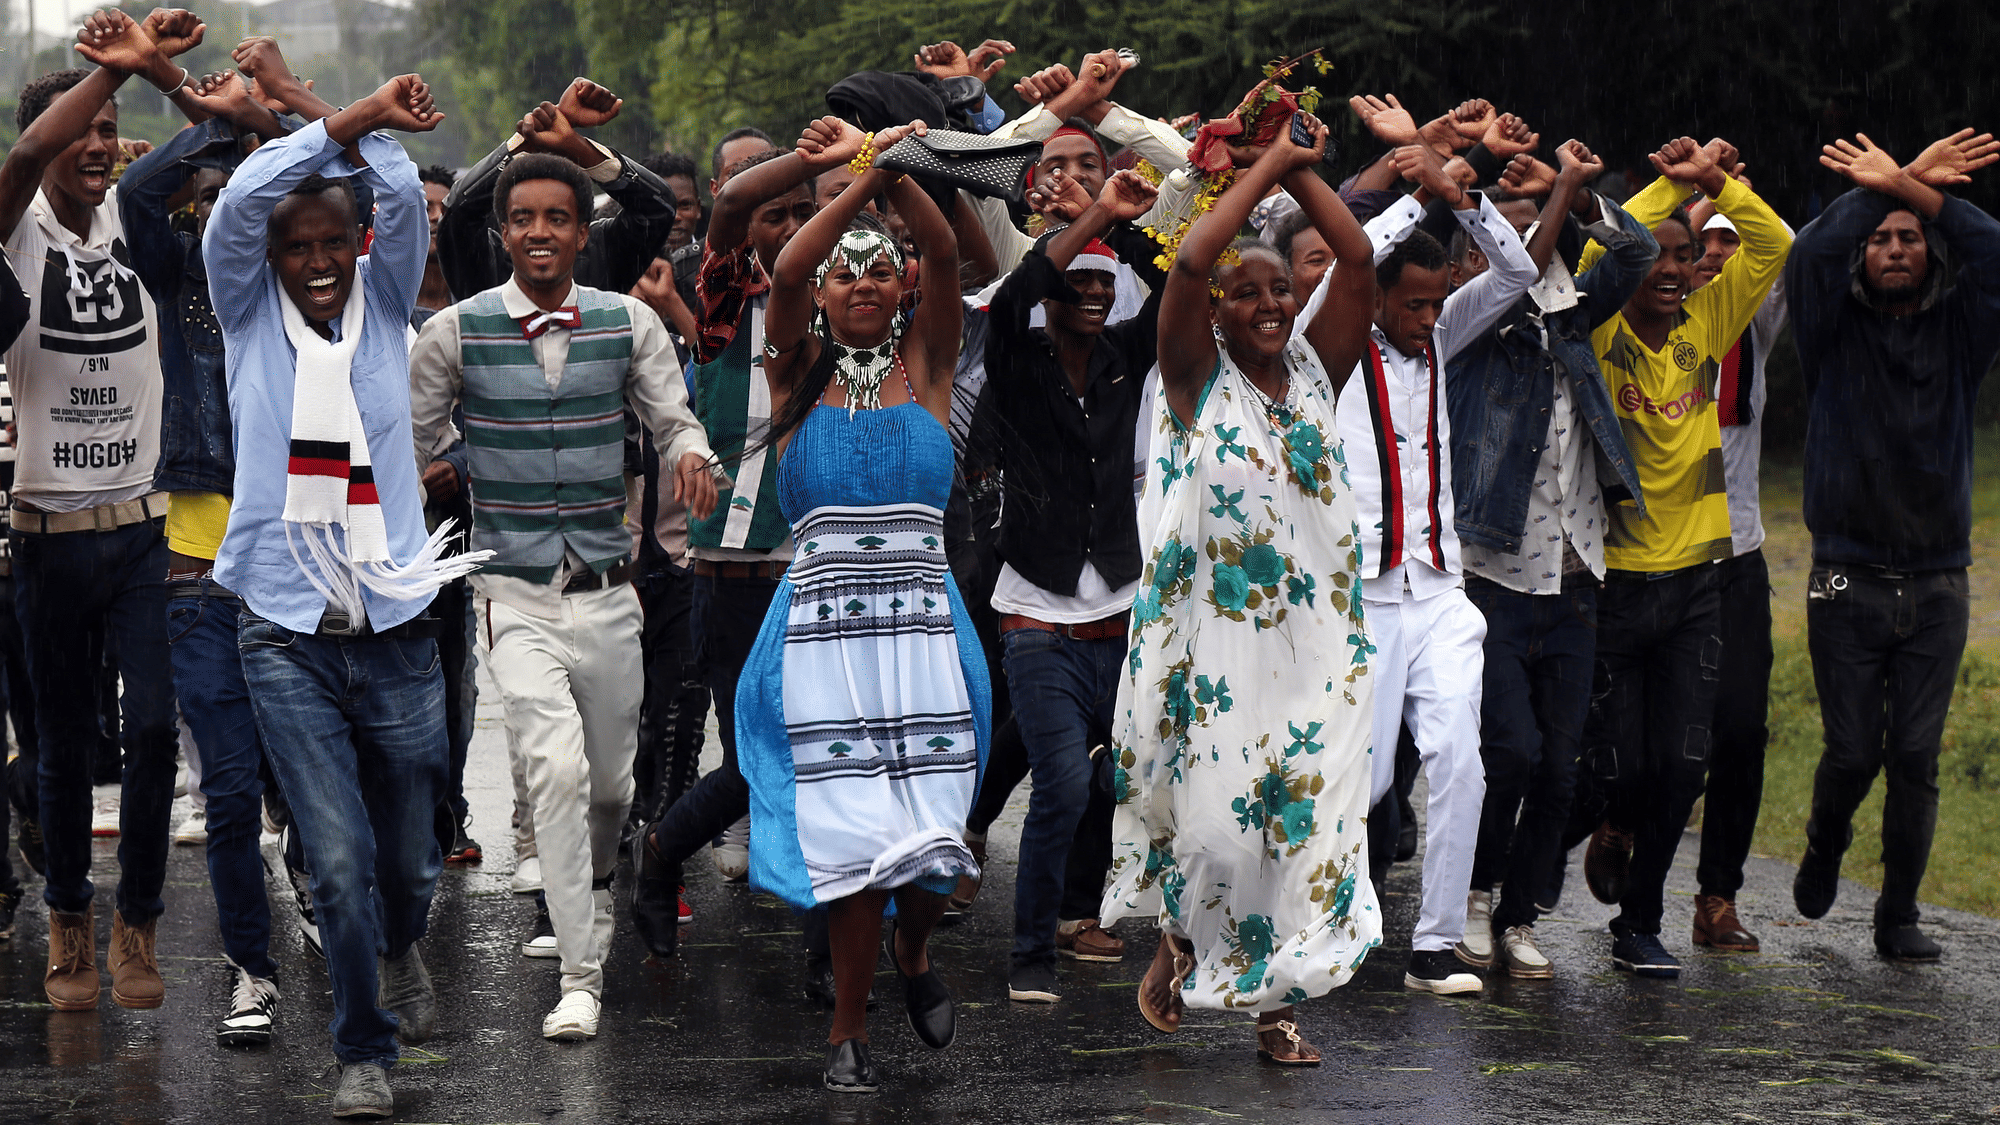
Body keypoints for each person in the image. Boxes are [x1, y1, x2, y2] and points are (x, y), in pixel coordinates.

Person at [205, 70, 476, 1117]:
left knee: (411, 864)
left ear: (358, 246)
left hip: (399, 624)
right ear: (271, 260)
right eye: (297, 247)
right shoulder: (245, 314)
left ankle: (403, 948)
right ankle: (363, 1049)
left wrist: (350, 127)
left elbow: (400, 194)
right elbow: (237, 205)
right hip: (284, 629)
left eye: (332, 243)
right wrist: (344, 117)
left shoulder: (390, 294)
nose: (316, 263)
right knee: (340, 858)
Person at [410, 151, 719, 1041]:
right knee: (553, 764)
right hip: (513, 592)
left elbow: (673, 418)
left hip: (611, 590)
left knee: (613, 789)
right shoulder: (458, 332)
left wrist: (694, 457)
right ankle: (580, 976)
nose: (539, 232)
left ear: (585, 233)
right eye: (523, 219)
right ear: (501, 231)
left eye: (557, 218)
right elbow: (408, 441)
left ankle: (593, 892)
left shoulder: (628, 323)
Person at [1103, 116, 1379, 1067]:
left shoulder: (1315, 370)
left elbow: (1353, 256)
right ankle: (1181, 938)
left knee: (1304, 830)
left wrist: (1301, 171)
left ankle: (1277, 1009)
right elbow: (1186, 270)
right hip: (1212, 647)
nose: (1268, 304)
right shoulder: (1190, 378)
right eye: (1246, 293)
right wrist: (1265, 163)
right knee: (1222, 834)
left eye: (1278, 289)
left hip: (1316, 646)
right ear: (1217, 313)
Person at [731, 116, 984, 1094]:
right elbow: (787, 266)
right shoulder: (794, 368)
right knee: (851, 844)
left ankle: (913, 954)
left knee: (934, 846)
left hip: (923, 630)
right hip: (821, 637)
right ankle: (846, 1035)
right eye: (850, 272)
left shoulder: (929, 361)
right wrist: (854, 178)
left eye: (881, 270)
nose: (865, 281)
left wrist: (898, 167)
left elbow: (949, 253)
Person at [3, 8, 206, 1014]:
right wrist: (109, 73)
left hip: (137, 531)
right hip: (43, 541)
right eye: (84, 129)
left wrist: (155, 72)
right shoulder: (12, 237)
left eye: (108, 129)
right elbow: (32, 146)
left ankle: (138, 925)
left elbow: (223, 136)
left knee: (157, 730)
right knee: (64, 748)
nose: (95, 144)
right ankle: (69, 927)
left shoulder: (141, 223)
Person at [1568, 137, 1790, 979]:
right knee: (1615, 762)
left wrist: (1716, 180)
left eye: (1685, 257)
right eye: (1656, 254)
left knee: (1683, 762)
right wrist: (1667, 187)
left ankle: (1641, 921)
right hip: (1618, 581)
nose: (1670, 268)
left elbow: (1776, 245)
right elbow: (1600, 249)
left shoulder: (1711, 319)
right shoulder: (1602, 326)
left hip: (1700, 578)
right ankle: (1511, 881)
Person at [1332, 139, 1543, 995]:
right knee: (1369, 777)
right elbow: (1343, 269)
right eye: (1413, 305)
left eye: (1435, 305)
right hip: (1365, 598)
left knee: (1463, 758)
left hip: (1441, 591)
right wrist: (1417, 198)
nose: (1428, 318)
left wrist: (1465, 202)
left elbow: (1517, 272)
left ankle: (1434, 947)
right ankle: (1324, 928)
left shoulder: (1444, 330)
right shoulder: (1332, 346)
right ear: (1377, 294)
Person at [1440, 147, 1657, 979]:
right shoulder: (1470, 325)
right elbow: (1512, 273)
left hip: (1577, 578)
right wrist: (1554, 191)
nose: (1542, 249)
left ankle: (1521, 913)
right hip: (1495, 577)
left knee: (1562, 770)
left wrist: (1575, 195)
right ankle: (1473, 892)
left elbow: (1635, 251)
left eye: (1548, 235)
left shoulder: (1572, 315)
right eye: (1520, 234)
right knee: (1513, 752)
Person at [1786, 128, 2000, 962]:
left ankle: (1897, 912)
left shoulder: (1962, 334)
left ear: (1931, 251)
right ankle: (1822, 840)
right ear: (1860, 257)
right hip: (1847, 576)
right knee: (1850, 751)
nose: (1896, 245)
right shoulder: (1828, 329)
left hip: (1940, 581)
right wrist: (1896, 184)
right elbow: (1812, 252)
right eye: (1880, 238)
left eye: (1911, 235)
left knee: (1913, 755)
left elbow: (1996, 251)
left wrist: (1916, 192)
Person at [118, 53, 296, 1043]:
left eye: (254, 196)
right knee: (228, 794)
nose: (231, 209)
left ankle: (332, 895)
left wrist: (263, 124)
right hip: (200, 580)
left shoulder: (312, 293)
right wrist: (214, 118)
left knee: (328, 794)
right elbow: (143, 188)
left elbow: (345, 181)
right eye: (216, 195)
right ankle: (252, 970)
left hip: (307, 574)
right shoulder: (187, 293)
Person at [979, 167, 1163, 1003]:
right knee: (1058, 776)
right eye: (1076, 280)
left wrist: (1122, 227)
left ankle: (1077, 911)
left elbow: (1178, 278)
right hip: (1037, 615)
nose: (1090, 293)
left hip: (1120, 612)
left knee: (1112, 781)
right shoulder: (1019, 357)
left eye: (1102, 283)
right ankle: (1028, 955)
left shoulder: (1128, 356)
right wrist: (1082, 218)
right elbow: (1016, 291)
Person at [1685, 178, 1790, 955]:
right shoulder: (1642, 321)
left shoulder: (1754, 322)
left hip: (1740, 552)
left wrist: (1726, 187)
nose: (1716, 254)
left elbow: (1779, 241)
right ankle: (1618, 824)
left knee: (1743, 729)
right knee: (1658, 739)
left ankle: (1717, 895)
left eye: (1729, 240)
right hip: (1656, 556)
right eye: (1701, 241)